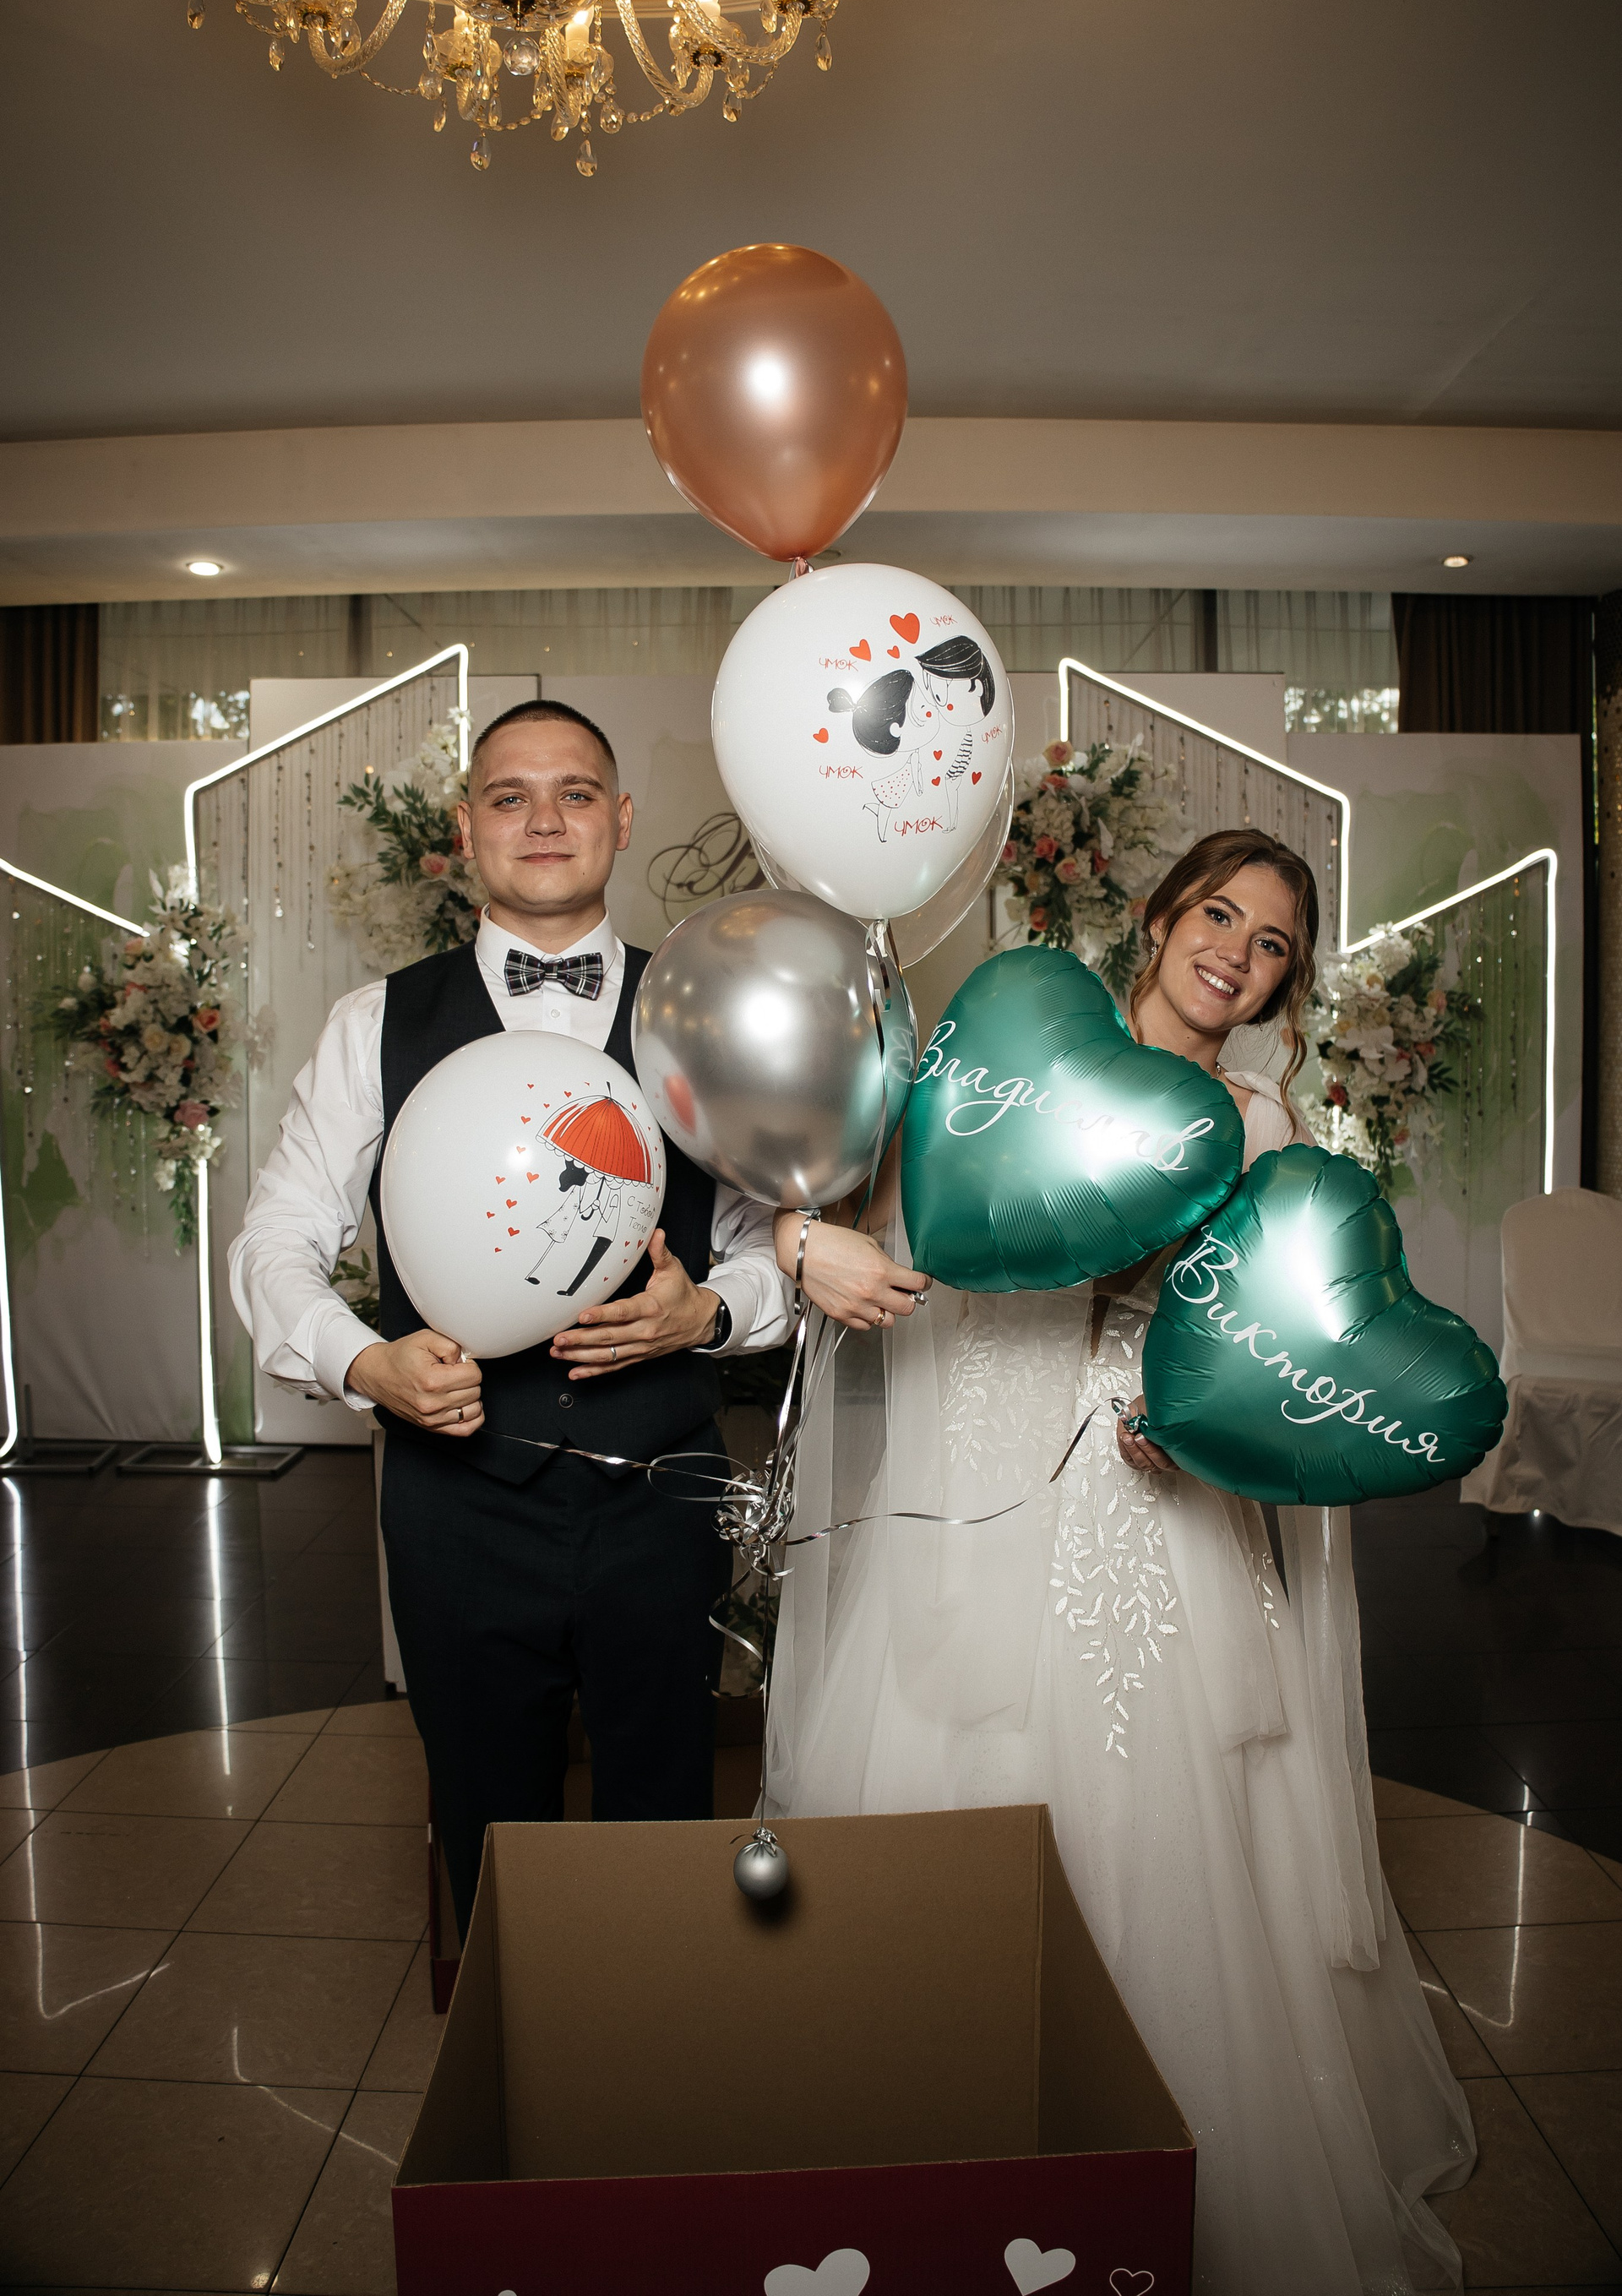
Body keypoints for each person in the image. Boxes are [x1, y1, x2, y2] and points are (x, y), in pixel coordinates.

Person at [768, 831, 1476, 2296]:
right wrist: (797, 1234)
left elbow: (1276, 1359)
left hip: (1146, 1508)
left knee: (1161, 1823)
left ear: (1285, 981)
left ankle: (1144, 2177)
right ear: (1156, 919)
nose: (1236, 953)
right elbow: (880, 1218)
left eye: (1272, 944)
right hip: (975, 1469)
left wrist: (1208, 1436)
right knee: (953, 1789)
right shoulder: (1016, 1055)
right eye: (1218, 914)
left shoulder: (1265, 1128)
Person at [229, 699, 797, 1934]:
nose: (544, 819)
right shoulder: (375, 1024)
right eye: (509, 795)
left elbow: (774, 1250)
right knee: (488, 1823)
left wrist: (705, 1313)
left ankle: (656, 2040)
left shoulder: (706, 1017)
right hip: (458, 1502)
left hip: (664, 1489)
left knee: (665, 1813)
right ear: (466, 827)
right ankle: (516, 2042)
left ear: (622, 819)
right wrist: (365, 1363)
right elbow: (274, 1239)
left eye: (575, 792)